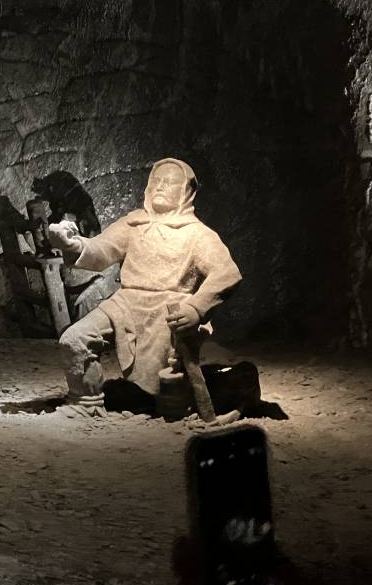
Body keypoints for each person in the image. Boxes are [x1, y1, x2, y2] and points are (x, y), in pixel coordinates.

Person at [48, 158, 241, 417]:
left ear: (186, 191)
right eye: (156, 181)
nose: (160, 186)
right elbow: (101, 249)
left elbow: (227, 273)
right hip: (125, 304)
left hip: (168, 312)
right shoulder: (134, 224)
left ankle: (176, 396)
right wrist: (72, 244)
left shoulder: (197, 234)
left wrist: (196, 308)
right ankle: (85, 402)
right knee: (74, 339)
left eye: (169, 182)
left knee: (159, 388)